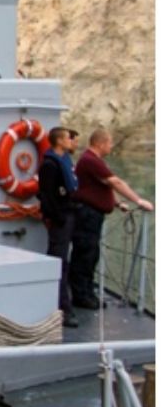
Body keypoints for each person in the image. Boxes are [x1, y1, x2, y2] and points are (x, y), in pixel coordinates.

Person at [68, 128, 154, 309]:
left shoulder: (91, 160)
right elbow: (115, 182)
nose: (111, 146)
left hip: (91, 215)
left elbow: (99, 187)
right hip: (87, 216)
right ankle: (81, 296)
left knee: (91, 254)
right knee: (85, 255)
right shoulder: (90, 160)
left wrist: (117, 203)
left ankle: (87, 293)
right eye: (109, 142)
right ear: (100, 144)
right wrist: (138, 200)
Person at [37, 127, 79, 327]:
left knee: (63, 261)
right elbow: (46, 194)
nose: (72, 141)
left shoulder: (63, 161)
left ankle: (63, 305)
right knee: (59, 262)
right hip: (61, 219)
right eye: (68, 138)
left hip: (68, 214)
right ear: (60, 141)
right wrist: (58, 217)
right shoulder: (50, 165)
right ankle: (62, 308)